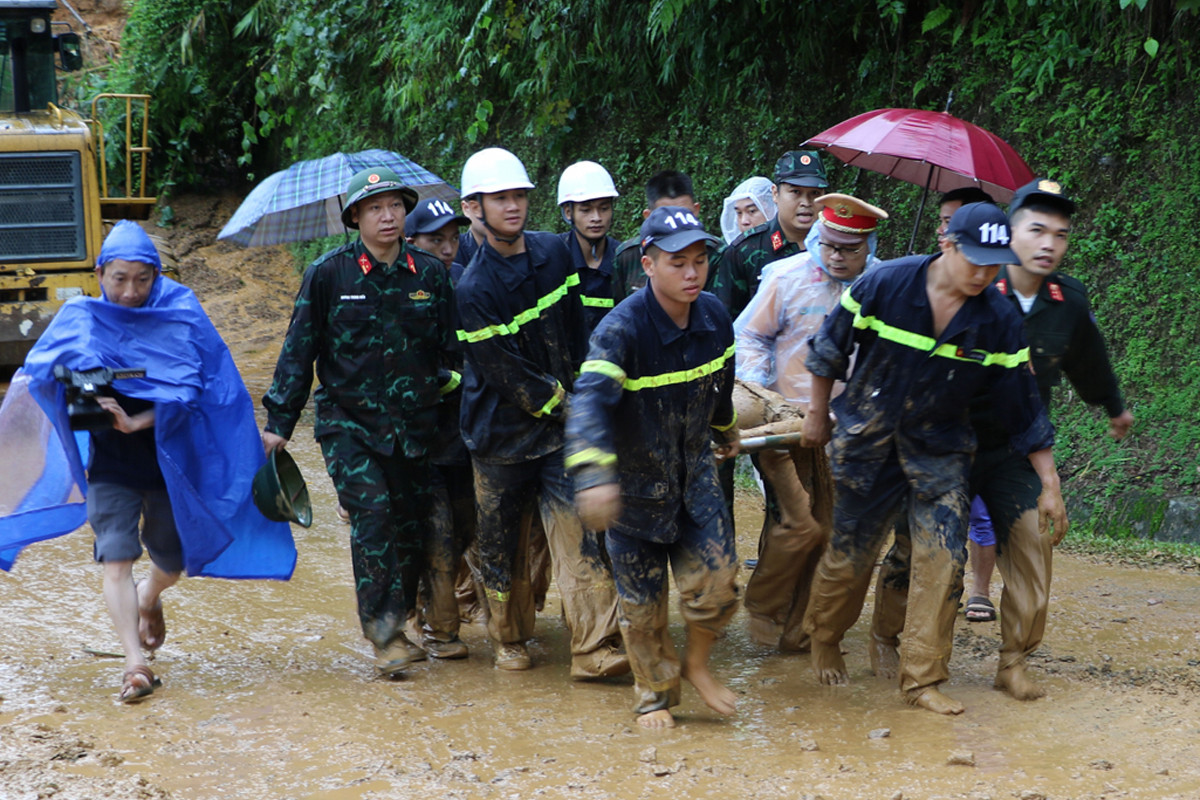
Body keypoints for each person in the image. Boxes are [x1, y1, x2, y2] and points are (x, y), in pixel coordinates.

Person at [1, 220, 296, 702]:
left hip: (170, 466)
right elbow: (45, 378)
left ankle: (149, 597)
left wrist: (139, 421)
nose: (130, 291)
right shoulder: (81, 317)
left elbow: (205, 388)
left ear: (157, 275)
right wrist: (90, 402)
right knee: (115, 557)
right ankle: (135, 665)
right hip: (110, 467)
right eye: (119, 279)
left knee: (172, 561)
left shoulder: (180, 314)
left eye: (142, 279)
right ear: (100, 273)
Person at [799, 202, 1067, 715]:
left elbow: (1023, 406)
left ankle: (921, 678)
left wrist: (1048, 483)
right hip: (868, 444)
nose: (985, 273)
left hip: (941, 452)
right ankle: (826, 635)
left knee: (943, 558)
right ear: (947, 245)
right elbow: (829, 348)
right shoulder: (888, 284)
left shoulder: (998, 317)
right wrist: (816, 413)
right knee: (849, 560)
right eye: (976, 260)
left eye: (995, 264)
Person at [872, 179, 1134, 701]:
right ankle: (891, 639)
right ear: (1007, 231)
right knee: (922, 551)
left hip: (1013, 447)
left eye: (1059, 234)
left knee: (1036, 542)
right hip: (944, 445)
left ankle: (1013, 661)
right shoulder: (965, 285)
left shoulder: (1066, 300)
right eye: (1036, 229)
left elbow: (1088, 359)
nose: (1048, 244)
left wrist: (1112, 406)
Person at [262, 166, 455, 676]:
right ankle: (384, 631)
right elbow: (298, 350)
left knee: (410, 528)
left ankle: (402, 618)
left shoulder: (430, 275)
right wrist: (280, 420)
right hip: (348, 424)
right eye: (375, 208)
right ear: (355, 218)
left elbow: (451, 350)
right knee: (373, 516)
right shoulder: (329, 275)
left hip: (415, 426)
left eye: (394, 206)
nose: (387, 216)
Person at [454, 147, 626, 677]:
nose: (513, 206)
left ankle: (596, 647)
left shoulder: (555, 254)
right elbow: (506, 374)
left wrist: (589, 392)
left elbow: (577, 333)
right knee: (502, 546)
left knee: (581, 534)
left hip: (558, 433)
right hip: (500, 438)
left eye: (519, 196)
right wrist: (569, 407)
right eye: (500, 198)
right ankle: (509, 636)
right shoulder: (472, 288)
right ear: (472, 207)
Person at [567, 206, 740, 728]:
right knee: (642, 609)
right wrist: (595, 477)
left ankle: (697, 664)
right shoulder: (620, 330)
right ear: (647, 264)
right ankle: (654, 695)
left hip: (695, 480)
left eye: (699, 261)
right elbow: (589, 404)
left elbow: (721, 383)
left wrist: (725, 426)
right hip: (634, 492)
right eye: (677, 263)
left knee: (719, 582)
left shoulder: (714, 317)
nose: (692, 274)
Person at [733, 194, 886, 652]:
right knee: (797, 520)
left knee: (836, 526)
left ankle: (804, 627)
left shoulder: (883, 285)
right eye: (830, 246)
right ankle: (767, 607)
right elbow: (751, 335)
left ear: (868, 246)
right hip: (787, 419)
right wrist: (762, 394)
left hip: (851, 426)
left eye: (849, 249)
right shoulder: (786, 277)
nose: (837, 256)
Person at [403, 196, 476, 659]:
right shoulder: (397, 292)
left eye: (453, 238)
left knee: (465, 529)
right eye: (436, 240)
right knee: (437, 535)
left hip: (465, 435)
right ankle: (438, 629)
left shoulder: (465, 285)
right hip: (418, 439)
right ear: (411, 242)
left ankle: (421, 608)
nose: (447, 249)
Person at [711, 150, 829, 320]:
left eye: (815, 194)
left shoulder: (836, 246)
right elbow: (724, 321)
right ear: (775, 194)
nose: (806, 202)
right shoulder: (745, 250)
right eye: (795, 192)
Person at [611, 170, 702, 302]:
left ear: (696, 211)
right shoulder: (628, 255)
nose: (675, 223)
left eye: (683, 213)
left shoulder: (714, 253)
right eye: (665, 216)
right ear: (648, 216)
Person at [557, 160, 622, 334]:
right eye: (586, 210)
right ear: (569, 212)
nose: (596, 218)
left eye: (604, 208)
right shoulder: (553, 256)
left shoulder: (624, 259)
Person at [720, 176, 777, 245]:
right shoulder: (736, 253)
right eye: (739, 213)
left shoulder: (789, 245)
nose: (744, 221)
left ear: (770, 209)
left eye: (752, 211)